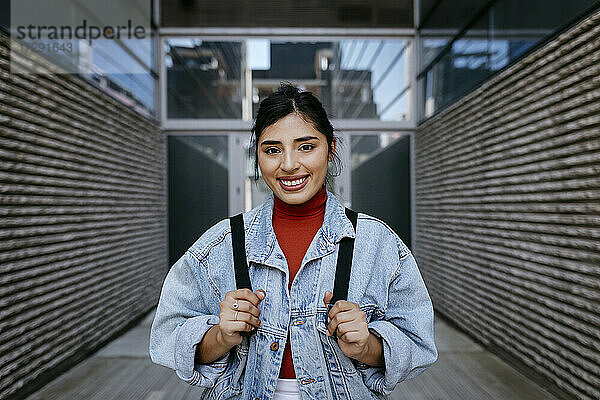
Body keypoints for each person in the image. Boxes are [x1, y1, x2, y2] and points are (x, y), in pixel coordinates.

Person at [149, 83, 437, 400]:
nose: (288, 164)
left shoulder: (377, 243)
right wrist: (220, 335)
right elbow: (166, 339)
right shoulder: (220, 245)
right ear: (257, 155)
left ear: (331, 148)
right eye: (272, 149)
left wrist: (368, 345)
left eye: (305, 146)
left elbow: (419, 343)